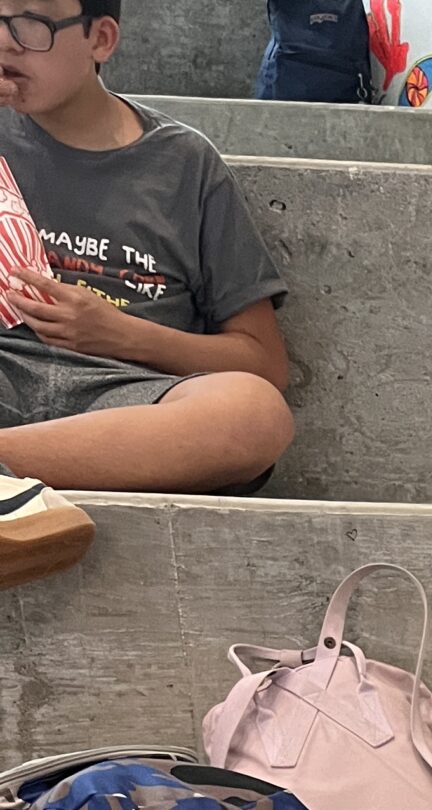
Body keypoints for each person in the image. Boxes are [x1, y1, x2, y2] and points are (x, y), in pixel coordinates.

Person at [0, 0, 295, 503]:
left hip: (124, 401)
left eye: (32, 24)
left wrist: (118, 333)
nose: (5, 42)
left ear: (101, 40)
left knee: (254, 414)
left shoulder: (184, 164)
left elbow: (265, 362)